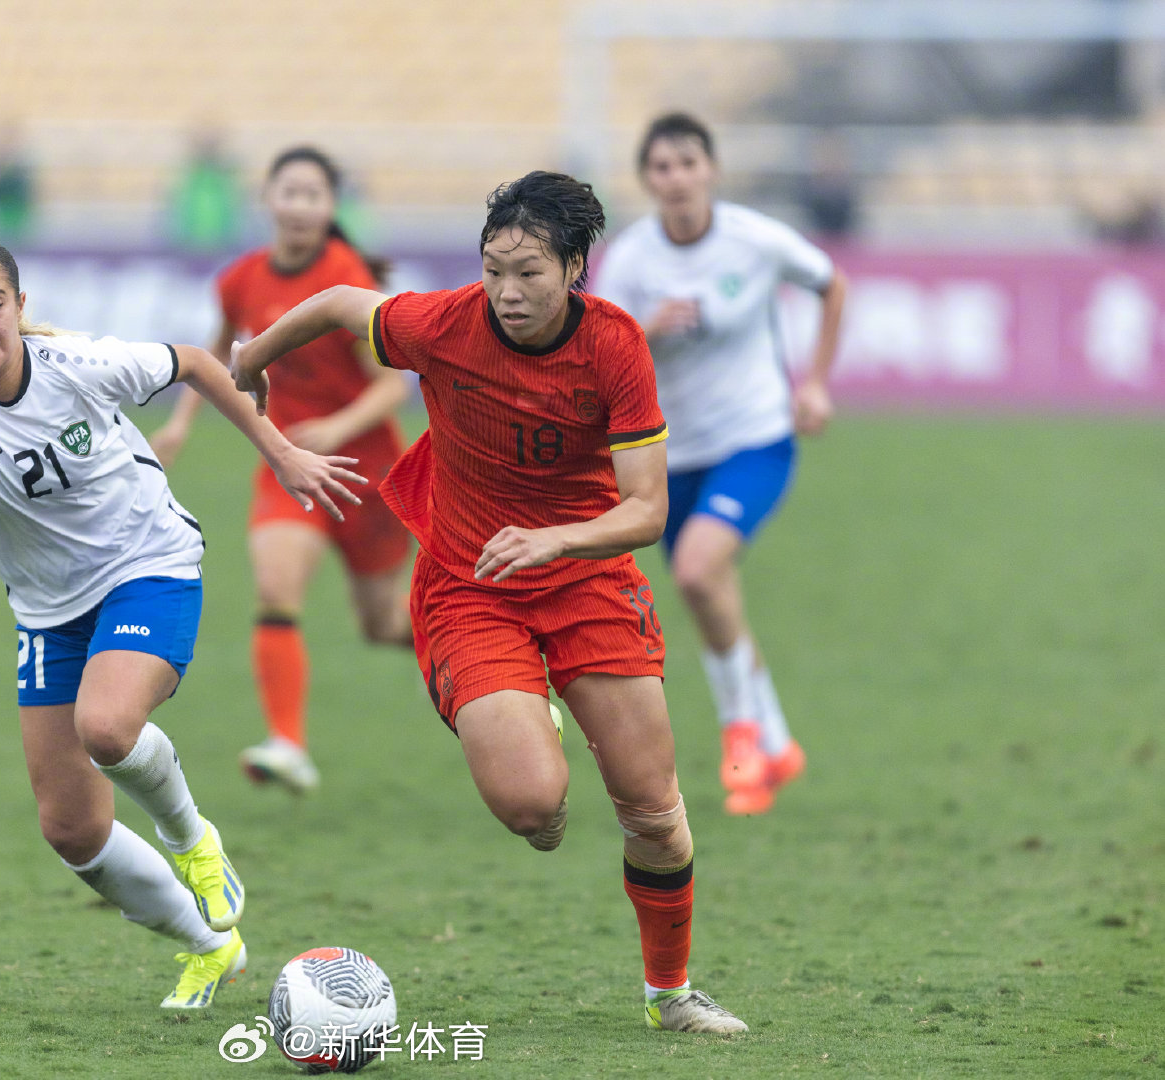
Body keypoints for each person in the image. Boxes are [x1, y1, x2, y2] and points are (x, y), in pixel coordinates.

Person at [231, 172, 748, 1034]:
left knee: (653, 813)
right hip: (472, 588)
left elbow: (648, 511)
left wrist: (556, 539)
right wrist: (251, 359)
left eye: (530, 273)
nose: (507, 292)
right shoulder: (442, 323)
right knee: (532, 810)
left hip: (587, 580)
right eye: (494, 269)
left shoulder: (616, 347)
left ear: (577, 267)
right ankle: (514, 713)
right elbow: (334, 302)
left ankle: (670, 994)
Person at [0, 238, 364, 1008]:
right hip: (48, 609)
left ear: (20, 306)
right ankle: (212, 946)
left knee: (107, 728)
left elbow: (195, 361)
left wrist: (278, 450)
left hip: (146, 564)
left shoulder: (79, 364)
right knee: (71, 830)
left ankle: (193, 842)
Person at [594, 112, 849, 816]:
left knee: (700, 570)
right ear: (647, 179)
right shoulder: (632, 260)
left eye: (688, 163)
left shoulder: (754, 241)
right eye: (662, 167)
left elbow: (832, 284)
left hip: (754, 439)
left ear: (712, 170)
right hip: (668, 458)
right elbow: (599, 355)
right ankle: (776, 746)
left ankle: (740, 734)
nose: (676, 178)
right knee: (712, 596)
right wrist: (647, 331)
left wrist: (817, 383)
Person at [150, 146, 412, 793]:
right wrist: (180, 425)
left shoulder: (349, 278)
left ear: (331, 208)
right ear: (267, 200)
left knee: (385, 625)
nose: (299, 207)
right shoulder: (240, 280)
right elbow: (209, 361)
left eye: (313, 195)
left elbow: (391, 387)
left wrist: (338, 428)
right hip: (288, 463)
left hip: (367, 474)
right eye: (288, 192)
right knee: (275, 585)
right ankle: (287, 743)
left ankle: (492, 672)